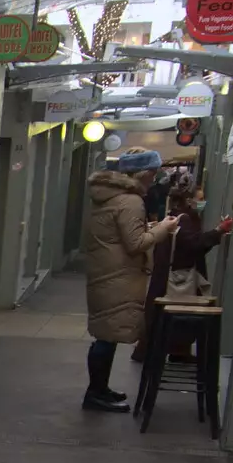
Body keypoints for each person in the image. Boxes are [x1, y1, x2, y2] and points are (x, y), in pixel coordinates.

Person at [81, 147, 179, 413]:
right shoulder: (131, 201)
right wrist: (163, 229)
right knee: (106, 336)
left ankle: (100, 388)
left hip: (104, 272)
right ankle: (95, 393)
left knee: (106, 333)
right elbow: (135, 244)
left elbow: (117, 235)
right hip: (119, 275)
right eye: (154, 172)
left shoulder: (106, 197)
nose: (156, 177)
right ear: (145, 173)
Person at [134, 180, 233, 362]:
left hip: (169, 272)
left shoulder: (181, 216)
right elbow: (193, 244)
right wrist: (218, 231)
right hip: (179, 274)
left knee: (161, 316)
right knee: (178, 315)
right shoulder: (186, 219)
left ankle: (164, 350)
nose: (203, 202)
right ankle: (174, 350)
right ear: (188, 200)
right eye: (200, 199)